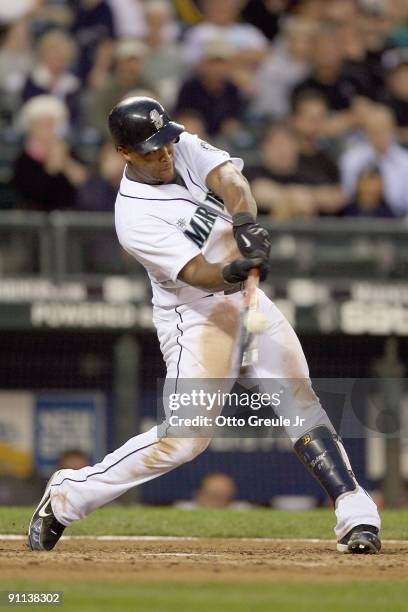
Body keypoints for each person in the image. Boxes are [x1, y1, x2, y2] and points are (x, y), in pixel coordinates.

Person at [28, 95, 381, 555]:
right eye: (152, 150)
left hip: (246, 299)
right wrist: (238, 267)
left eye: (166, 143)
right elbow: (197, 273)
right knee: (184, 440)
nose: (165, 154)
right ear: (125, 154)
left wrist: (246, 224)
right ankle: (68, 494)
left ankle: (356, 514)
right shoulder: (133, 215)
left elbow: (229, 178)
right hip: (196, 314)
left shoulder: (179, 145)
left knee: (299, 400)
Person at [12, 95, 87, 211]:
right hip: (33, 218)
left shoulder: (66, 151)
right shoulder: (23, 158)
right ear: (32, 127)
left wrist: (65, 162)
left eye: (51, 124)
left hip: (68, 216)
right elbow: (29, 193)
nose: (48, 129)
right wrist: (50, 169)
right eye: (43, 124)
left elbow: (82, 183)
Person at [340, 104, 408, 217]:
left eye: (384, 129)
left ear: (393, 129)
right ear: (365, 131)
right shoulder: (352, 159)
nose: (379, 135)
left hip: (399, 221)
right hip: (360, 217)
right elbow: (347, 195)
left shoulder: (405, 161)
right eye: (374, 130)